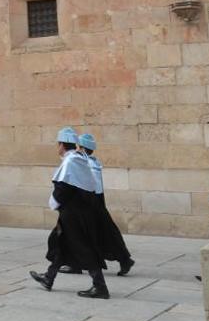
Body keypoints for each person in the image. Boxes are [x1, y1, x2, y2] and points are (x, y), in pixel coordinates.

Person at [31, 127, 109, 299]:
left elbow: (63, 188)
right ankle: (48, 278)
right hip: (77, 213)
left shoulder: (71, 162)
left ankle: (100, 286)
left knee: (83, 248)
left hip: (73, 215)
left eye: (58, 144)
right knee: (61, 243)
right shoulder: (79, 159)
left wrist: (53, 202)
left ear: (62, 145)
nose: (57, 147)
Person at [80, 132, 133, 276]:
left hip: (93, 204)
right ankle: (75, 264)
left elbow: (93, 187)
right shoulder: (93, 162)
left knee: (106, 234)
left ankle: (125, 259)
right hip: (95, 203)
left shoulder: (90, 164)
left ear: (83, 148)